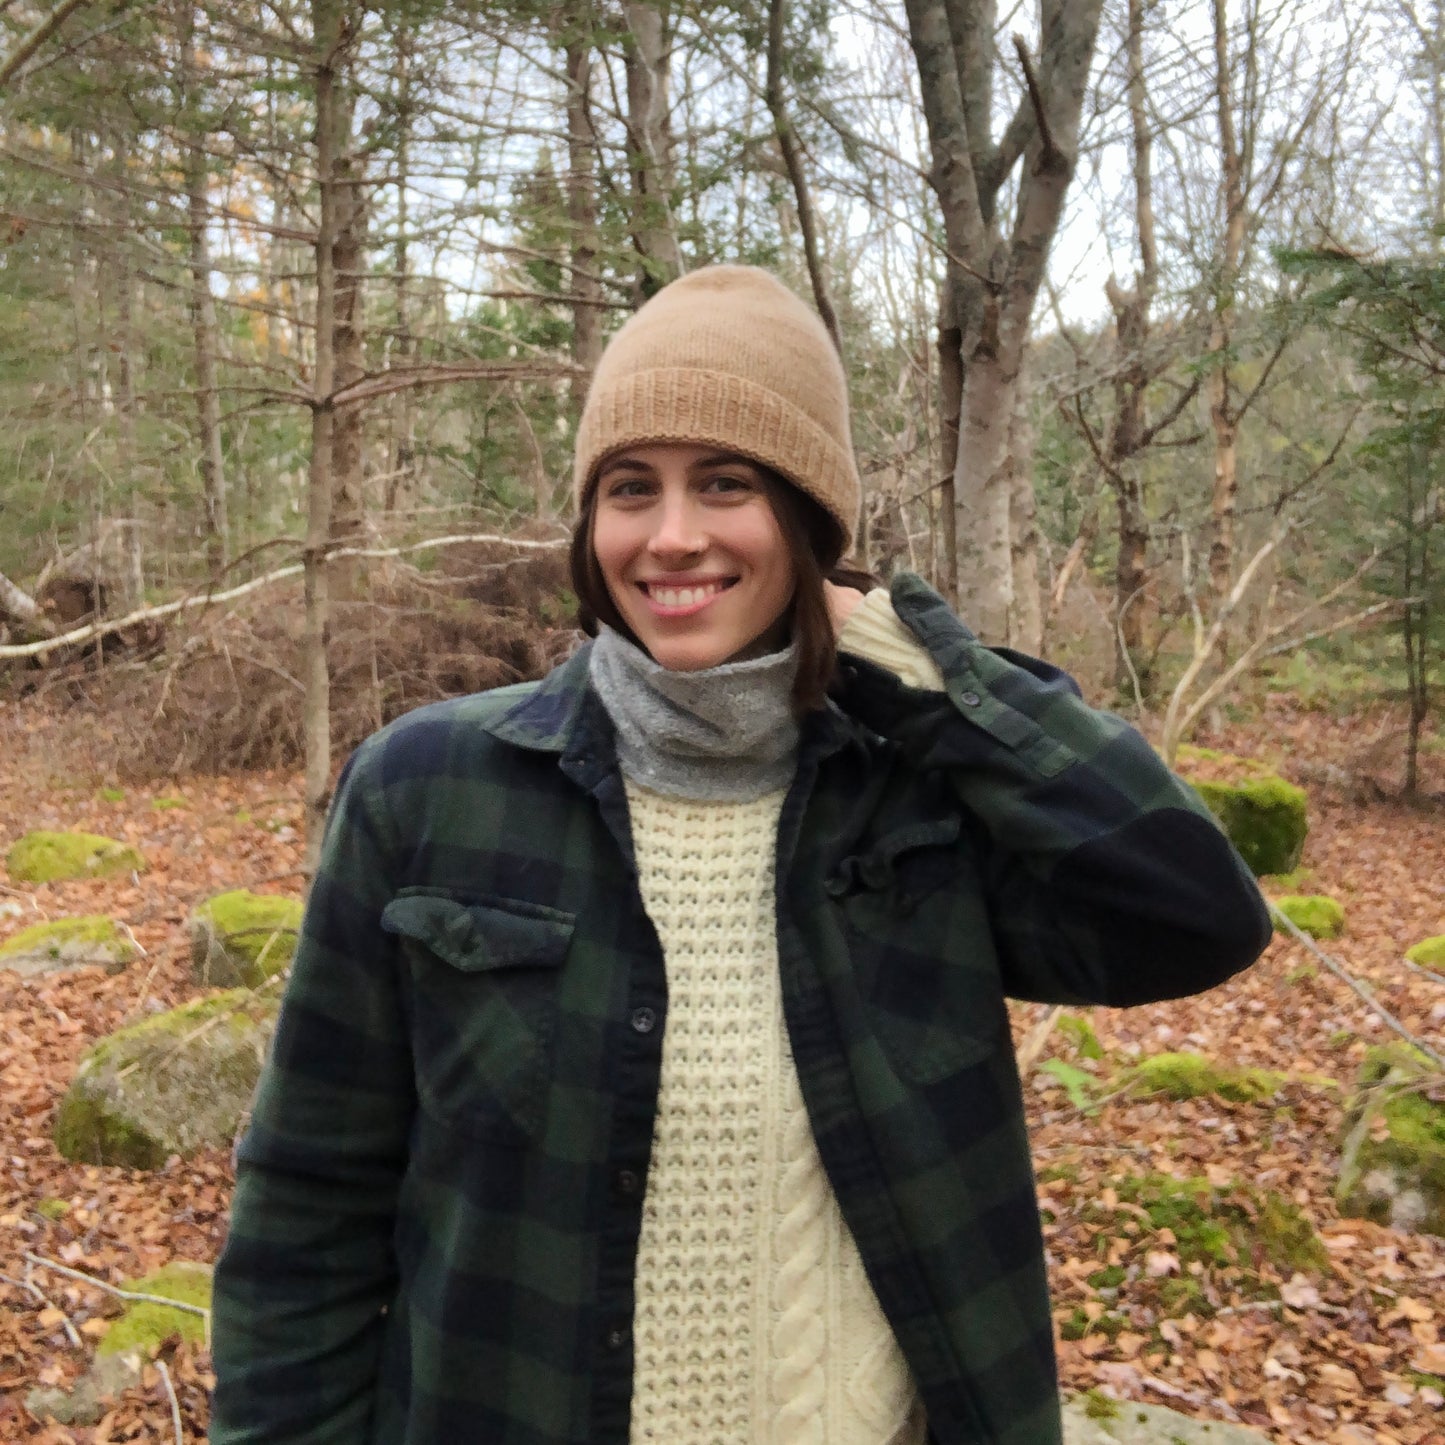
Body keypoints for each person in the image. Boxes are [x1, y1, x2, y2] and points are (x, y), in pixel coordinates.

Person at [209, 266, 1271, 1445]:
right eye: (629, 488)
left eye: (726, 485)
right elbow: (306, 1210)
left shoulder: (912, 794)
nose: (670, 536)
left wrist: (924, 672)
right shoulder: (427, 789)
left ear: (808, 522)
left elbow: (1195, 913)